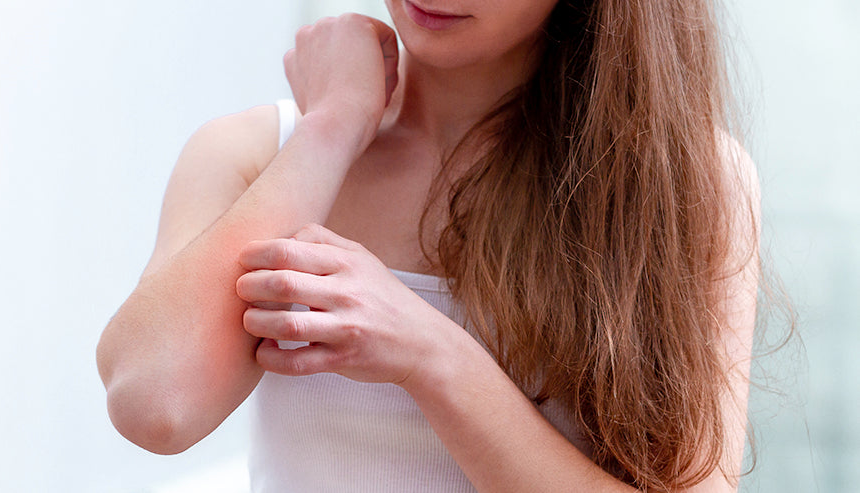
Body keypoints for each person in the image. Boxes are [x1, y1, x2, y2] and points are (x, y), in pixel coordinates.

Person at [97, 0, 760, 491]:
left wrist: (431, 354)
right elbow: (156, 404)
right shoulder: (257, 152)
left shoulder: (684, 182)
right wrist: (334, 127)